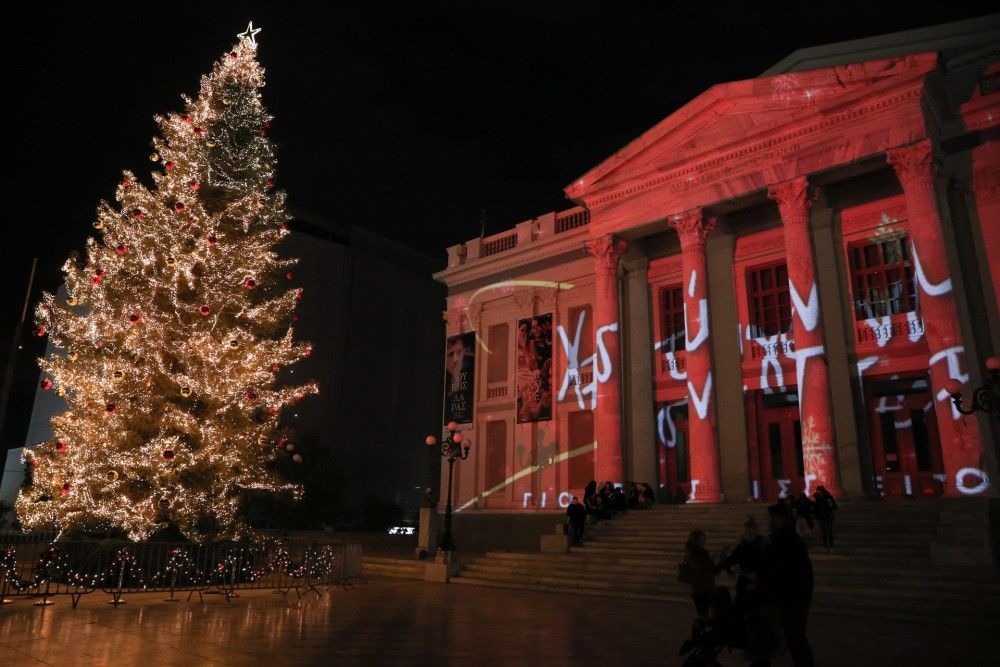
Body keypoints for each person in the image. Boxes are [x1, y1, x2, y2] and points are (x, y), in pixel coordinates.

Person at [762, 502, 814, 667]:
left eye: (768, 517)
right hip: (799, 595)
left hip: (791, 597)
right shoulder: (791, 537)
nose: (766, 521)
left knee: (795, 638)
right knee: (797, 638)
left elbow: (775, 570)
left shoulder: (779, 540)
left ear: (776, 518)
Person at [682, 530, 717, 618]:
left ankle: (703, 628)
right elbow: (701, 568)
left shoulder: (693, 552)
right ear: (696, 541)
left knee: (704, 612)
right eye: (702, 539)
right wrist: (713, 559)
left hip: (701, 587)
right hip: (703, 587)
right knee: (704, 613)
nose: (705, 541)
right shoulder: (696, 554)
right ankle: (701, 629)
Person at [813, 485, 837, 553]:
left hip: (828, 517)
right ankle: (825, 547)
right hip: (821, 517)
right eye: (818, 491)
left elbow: (834, 506)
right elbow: (815, 508)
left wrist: (830, 505)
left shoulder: (828, 497)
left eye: (820, 491)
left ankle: (832, 547)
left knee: (829, 532)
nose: (819, 492)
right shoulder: (816, 498)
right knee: (823, 533)